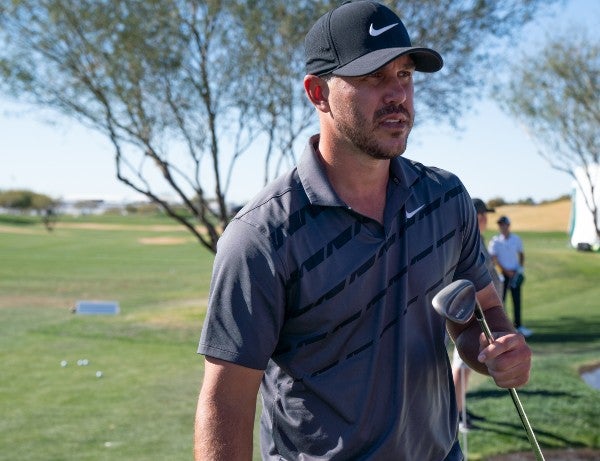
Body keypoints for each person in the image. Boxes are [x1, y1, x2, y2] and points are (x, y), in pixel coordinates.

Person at [194, 2, 532, 460]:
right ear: (318, 93)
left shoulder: (446, 198)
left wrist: (500, 350)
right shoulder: (261, 236)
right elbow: (226, 402)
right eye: (373, 77)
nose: (397, 94)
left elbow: (478, 314)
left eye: (405, 74)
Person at [451, 198, 503, 430]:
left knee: (465, 369)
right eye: (483, 215)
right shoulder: (471, 241)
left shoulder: (479, 240)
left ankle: (460, 410)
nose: (486, 219)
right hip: (472, 320)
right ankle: (456, 418)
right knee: (461, 368)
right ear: (477, 216)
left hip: (480, 318)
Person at [488, 215, 532, 337]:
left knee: (517, 301)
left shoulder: (516, 239)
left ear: (508, 225)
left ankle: (519, 326)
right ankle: (504, 328)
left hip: (515, 274)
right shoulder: (495, 241)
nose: (501, 227)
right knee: (501, 302)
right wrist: (506, 271)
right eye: (499, 225)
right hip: (501, 276)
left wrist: (520, 269)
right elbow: (494, 259)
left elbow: (521, 254)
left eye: (503, 224)